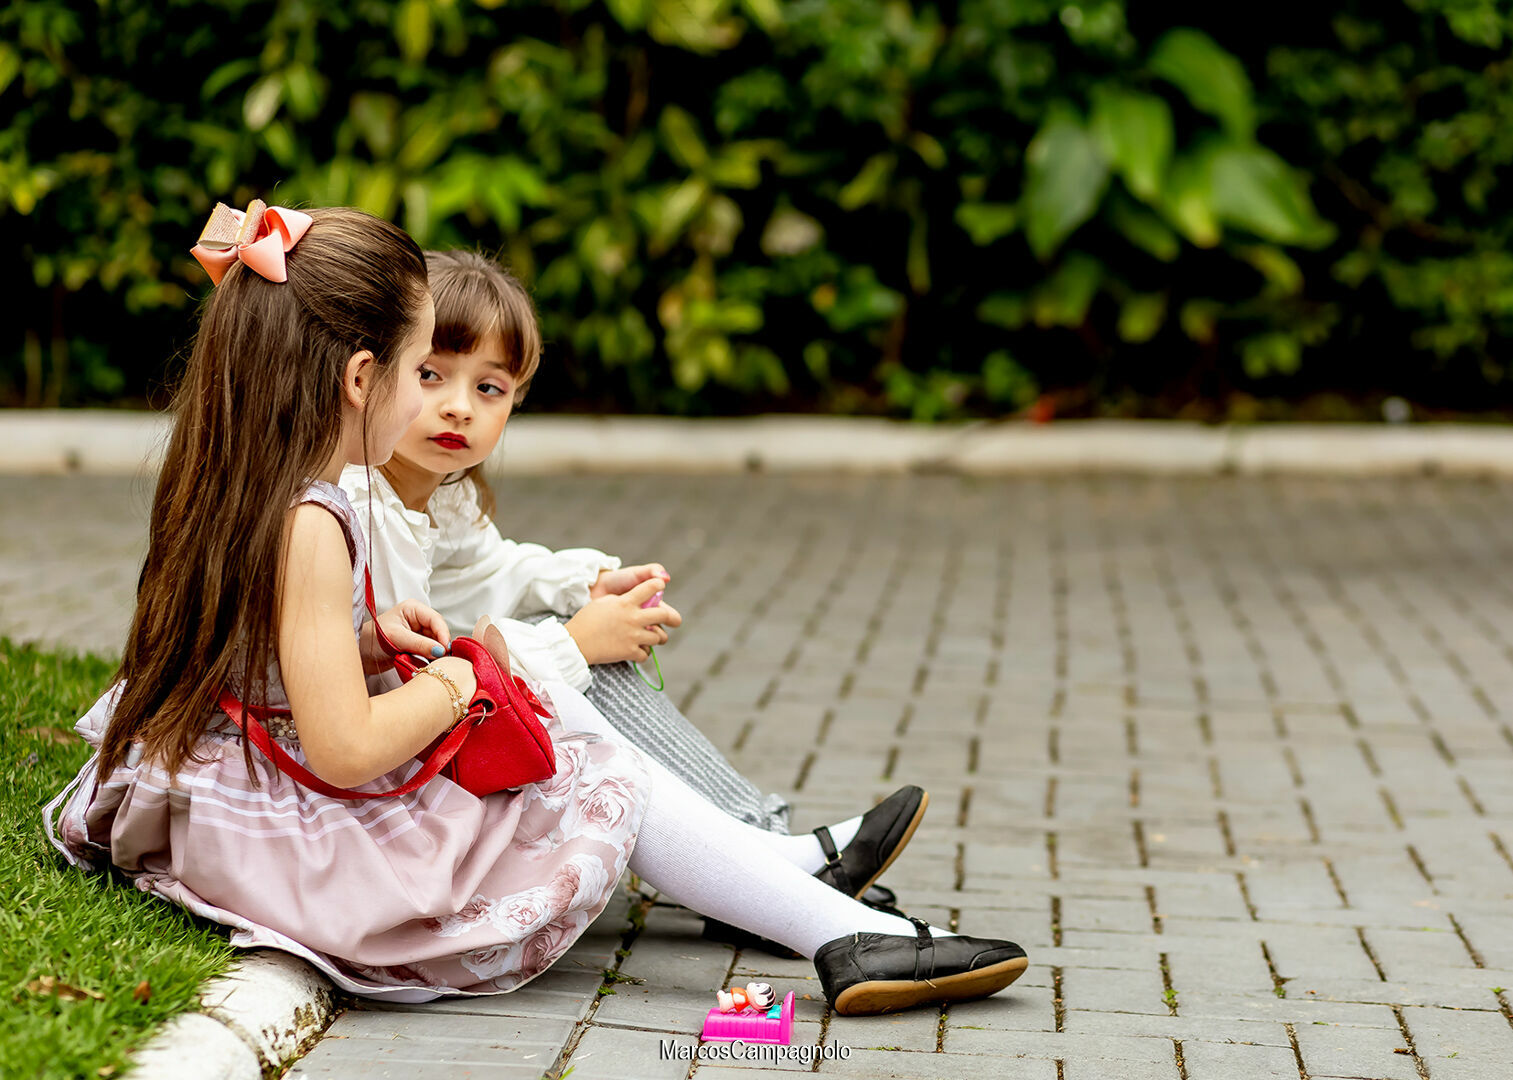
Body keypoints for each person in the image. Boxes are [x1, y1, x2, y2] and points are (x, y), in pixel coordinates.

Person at [45, 201, 1027, 1015]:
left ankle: (817, 906)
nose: (434, 393)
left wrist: (368, 639)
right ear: (359, 379)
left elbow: (260, 650)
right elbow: (344, 747)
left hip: (245, 772)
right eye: (419, 366)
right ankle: (840, 930)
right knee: (583, 752)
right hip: (301, 827)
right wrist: (464, 678)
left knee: (564, 725)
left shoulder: (254, 478)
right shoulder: (315, 517)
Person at [341, 250, 904, 955]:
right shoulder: (363, 505)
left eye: (489, 387)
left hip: (425, 722)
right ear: (375, 372)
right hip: (394, 755)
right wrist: (575, 641)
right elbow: (409, 678)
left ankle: (760, 847)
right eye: (431, 375)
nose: (459, 405)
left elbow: (487, 570)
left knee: (576, 640)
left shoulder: (438, 492)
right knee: (569, 655)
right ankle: (760, 857)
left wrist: (581, 588)